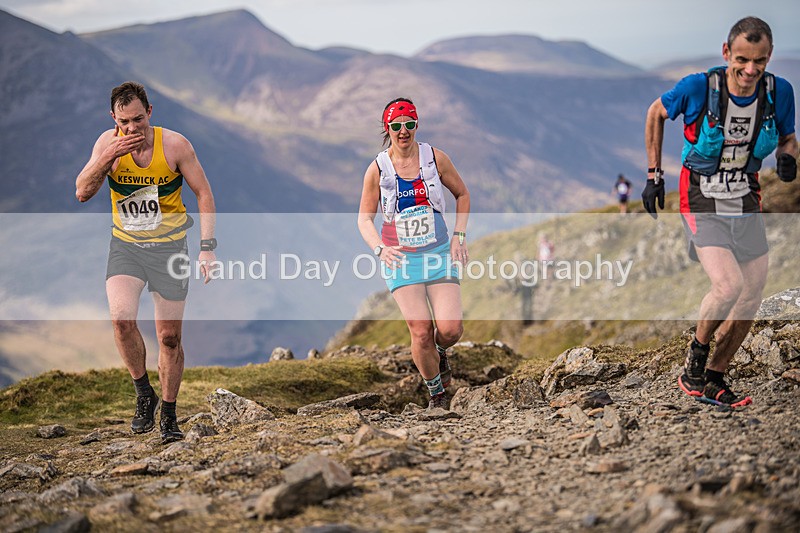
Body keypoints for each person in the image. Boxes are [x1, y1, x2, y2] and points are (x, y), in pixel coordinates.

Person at [643, 17, 797, 408]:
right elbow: (655, 112)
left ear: (769, 57)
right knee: (728, 286)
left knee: (751, 294)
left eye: (759, 61)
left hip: (745, 197)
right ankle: (695, 360)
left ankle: (714, 377)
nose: (750, 70)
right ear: (727, 52)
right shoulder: (699, 88)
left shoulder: (779, 92)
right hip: (700, 197)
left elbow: (788, 138)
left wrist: (787, 158)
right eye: (742, 60)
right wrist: (654, 175)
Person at [75, 82, 217, 442]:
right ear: (113, 118)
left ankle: (168, 413)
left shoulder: (175, 145)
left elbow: (203, 193)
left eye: (138, 119)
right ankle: (144, 393)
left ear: (149, 112)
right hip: (127, 247)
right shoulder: (107, 144)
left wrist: (207, 247)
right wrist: (107, 157)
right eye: (124, 121)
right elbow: (82, 191)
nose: (132, 128)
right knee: (121, 321)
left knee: (169, 338)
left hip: (170, 249)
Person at [358, 98, 470, 410]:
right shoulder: (377, 170)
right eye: (396, 125)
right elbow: (364, 219)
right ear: (387, 128)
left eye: (409, 124)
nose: (403, 131)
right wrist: (380, 249)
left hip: (438, 253)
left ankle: (440, 352)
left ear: (416, 124)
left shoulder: (435, 158)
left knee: (450, 330)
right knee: (420, 332)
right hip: (401, 260)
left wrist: (459, 236)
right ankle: (437, 394)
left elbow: (462, 194)